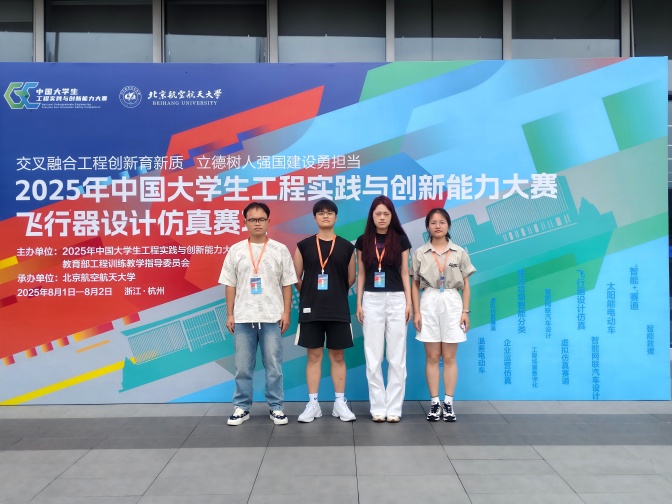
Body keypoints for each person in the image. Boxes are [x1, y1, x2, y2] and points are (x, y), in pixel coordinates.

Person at [219, 202, 297, 426]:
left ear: (269, 221)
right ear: (245, 222)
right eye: (252, 220)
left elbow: (287, 284)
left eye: (261, 219)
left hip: (272, 317)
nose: (257, 223)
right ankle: (241, 407)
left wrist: (286, 313)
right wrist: (230, 314)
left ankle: (276, 407)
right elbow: (230, 284)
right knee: (243, 367)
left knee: (274, 366)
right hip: (243, 317)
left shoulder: (280, 250)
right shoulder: (236, 250)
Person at [293, 199, 357, 422]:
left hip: (338, 309)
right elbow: (296, 278)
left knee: (338, 356)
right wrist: (311, 293)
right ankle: (313, 404)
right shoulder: (303, 246)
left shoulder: (347, 247)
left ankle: (340, 403)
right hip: (311, 310)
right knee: (314, 356)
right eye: (321, 213)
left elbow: (350, 279)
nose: (326, 216)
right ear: (315, 218)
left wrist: (333, 293)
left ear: (336, 217)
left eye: (330, 212)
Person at [411, 208, 475, 422]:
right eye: (433, 222)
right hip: (428, 299)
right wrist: (417, 312)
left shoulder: (459, 252)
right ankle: (434, 403)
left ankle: (448, 403)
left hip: (452, 300)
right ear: (427, 227)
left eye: (442, 222)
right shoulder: (420, 253)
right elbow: (414, 284)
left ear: (448, 225)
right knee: (432, 357)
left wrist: (465, 311)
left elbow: (466, 284)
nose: (437, 226)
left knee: (449, 357)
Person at [355, 196, 412, 422]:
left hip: (397, 299)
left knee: (397, 357)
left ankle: (394, 408)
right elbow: (361, 274)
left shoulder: (401, 239)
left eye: (386, 214)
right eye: (378, 214)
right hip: (371, 299)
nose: (382, 218)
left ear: (392, 216)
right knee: (373, 355)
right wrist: (359, 303)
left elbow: (405, 272)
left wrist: (409, 303)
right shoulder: (363, 241)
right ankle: (378, 407)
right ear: (371, 215)